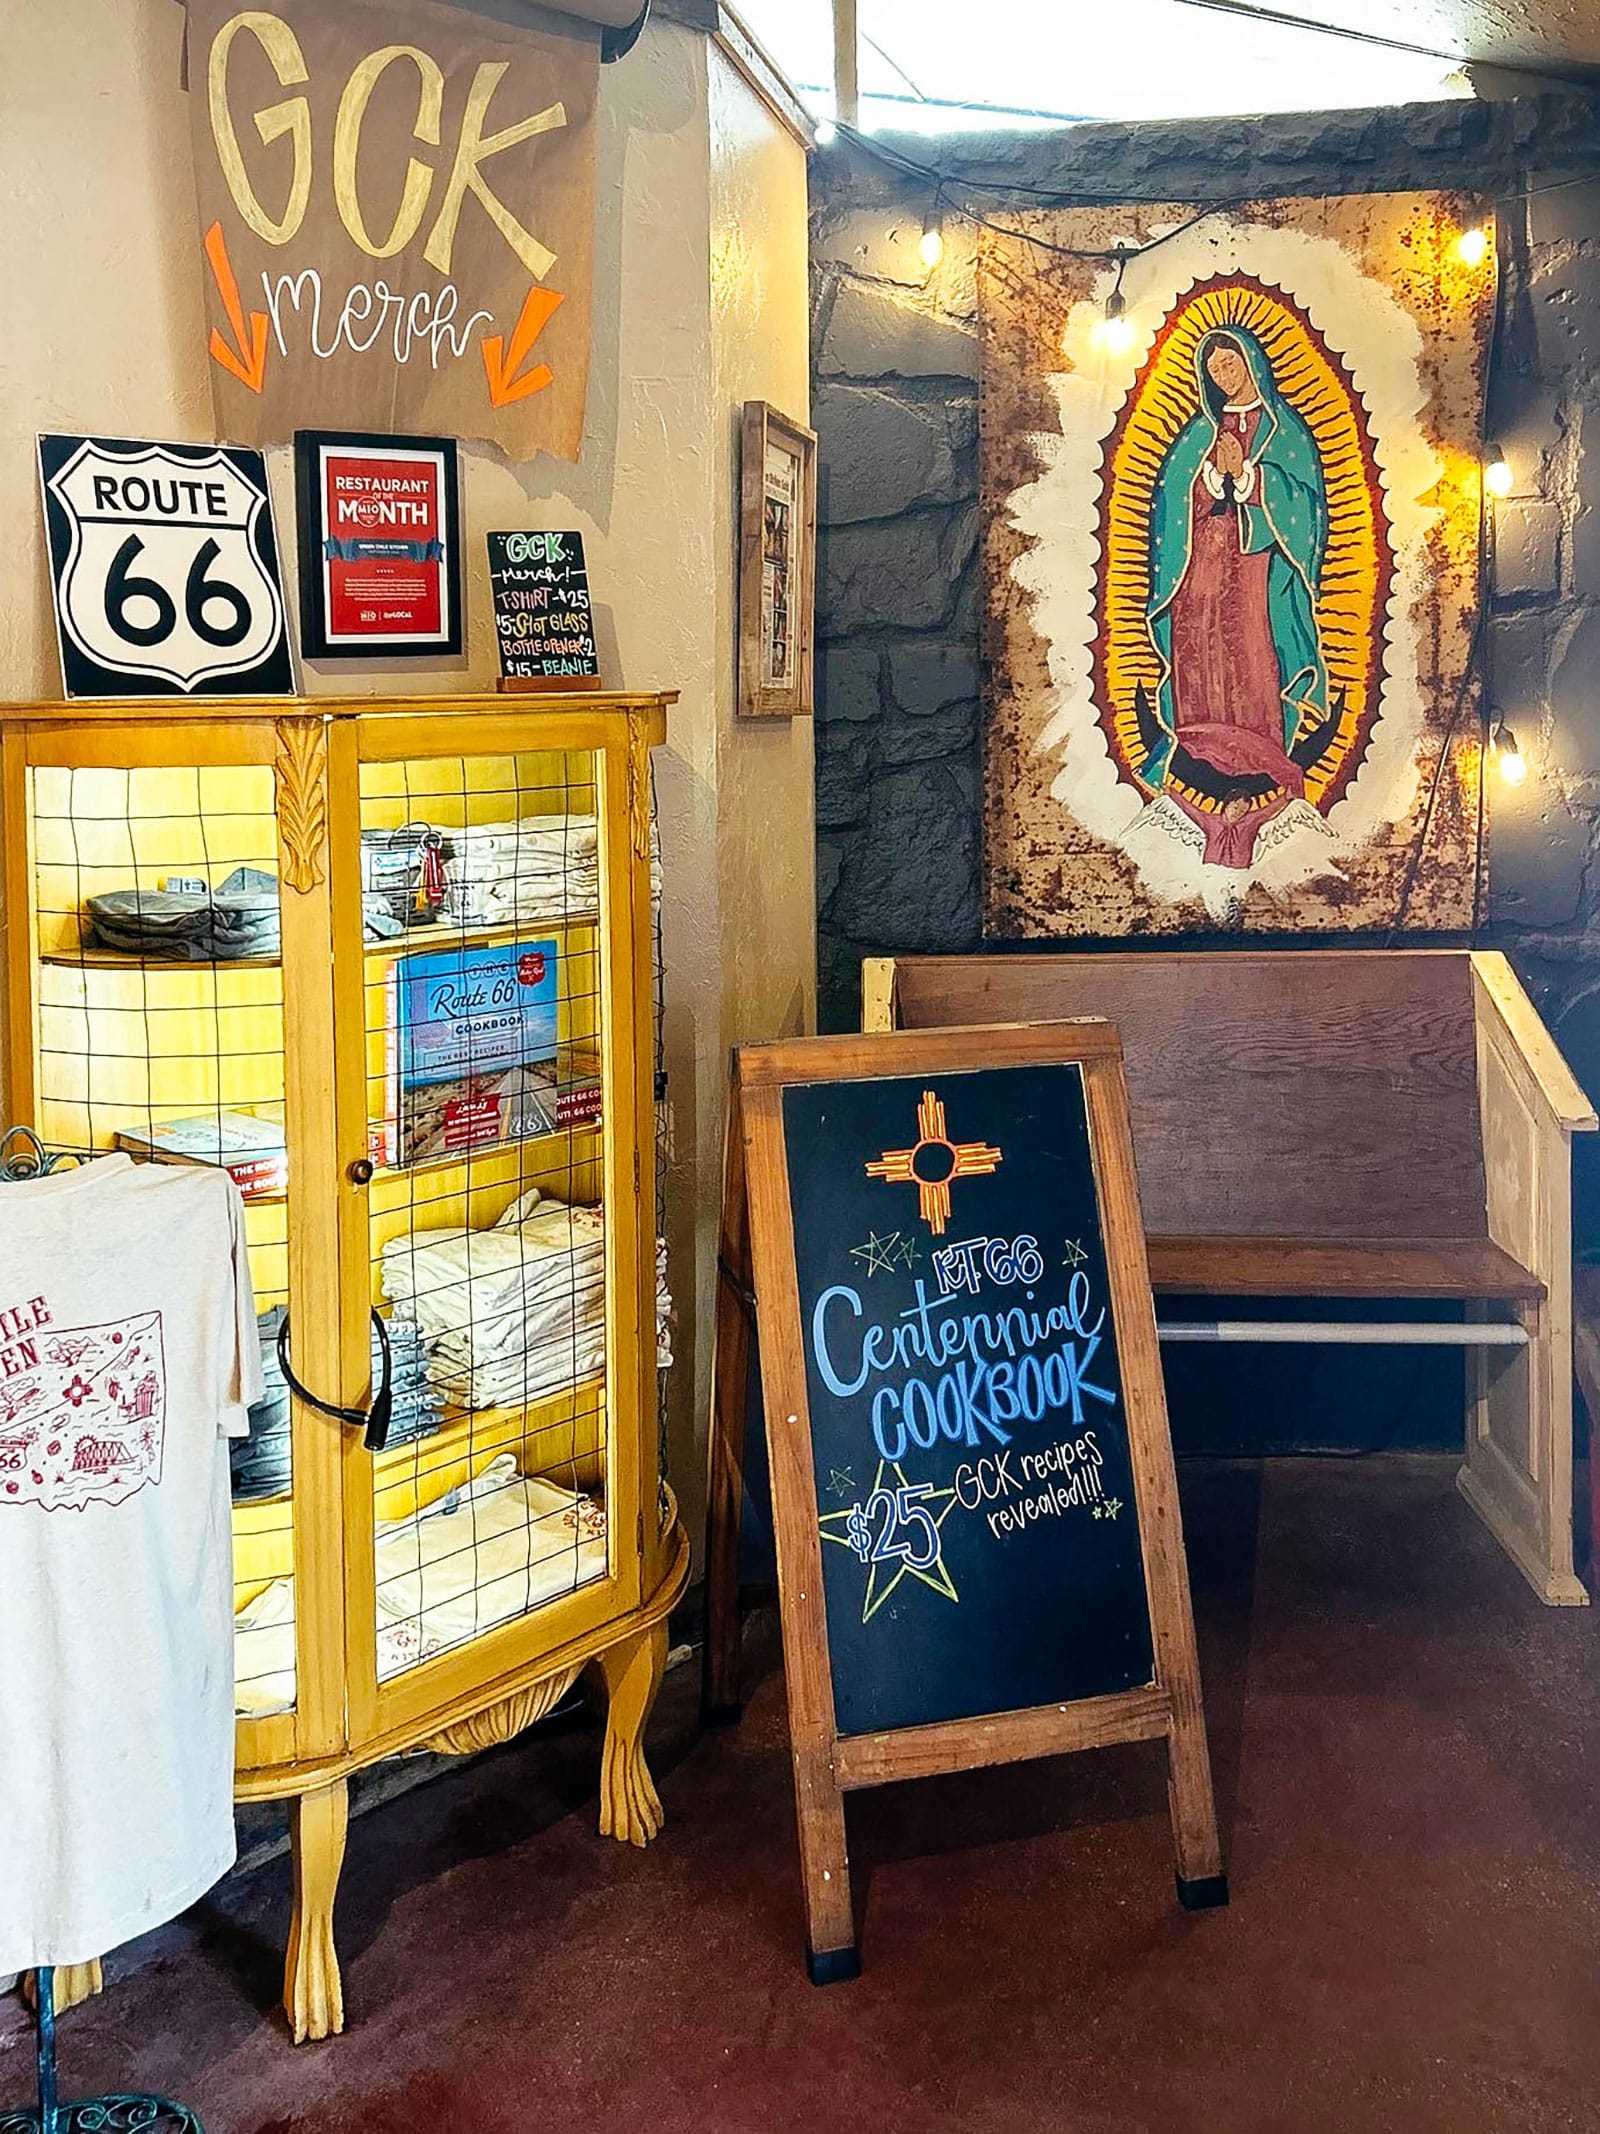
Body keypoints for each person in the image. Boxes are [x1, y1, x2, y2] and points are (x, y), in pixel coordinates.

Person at [1140, 327, 1331, 867]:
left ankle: (1258, 748)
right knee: (1199, 650)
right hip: (1200, 564)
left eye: (1231, 364)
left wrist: (1250, 478)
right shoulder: (1197, 434)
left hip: (1254, 567)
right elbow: (1170, 502)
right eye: (1215, 370)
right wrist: (1207, 477)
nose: (1224, 376)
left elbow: (1308, 510)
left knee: (1250, 652)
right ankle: (1198, 743)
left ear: (1252, 364)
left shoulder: (1285, 431)